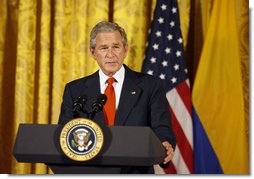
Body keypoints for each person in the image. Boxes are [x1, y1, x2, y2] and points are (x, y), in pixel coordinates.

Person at [58, 21, 176, 174]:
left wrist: (164, 143)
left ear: (125, 49)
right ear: (93, 53)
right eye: (103, 48)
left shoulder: (150, 86)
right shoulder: (75, 90)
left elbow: (162, 126)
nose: (110, 54)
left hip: (135, 172)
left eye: (116, 47)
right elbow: (64, 133)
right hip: (90, 172)